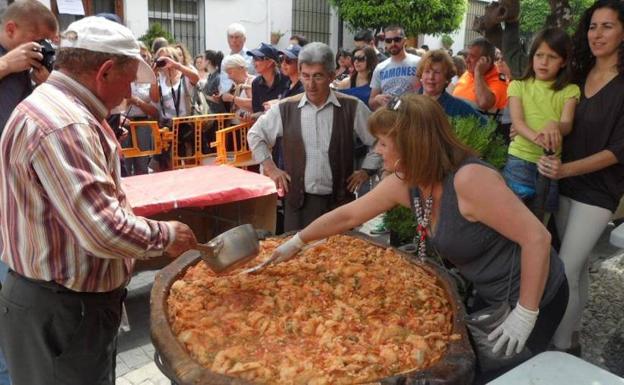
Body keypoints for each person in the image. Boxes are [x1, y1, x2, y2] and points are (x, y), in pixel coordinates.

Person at [265, 94, 568, 382]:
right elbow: (348, 216)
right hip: (492, 295)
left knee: (504, 377)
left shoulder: (469, 180)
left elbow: (537, 239)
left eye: (383, 143)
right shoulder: (406, 182)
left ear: (411, 146)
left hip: (537, 294)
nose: (377, 151)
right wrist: (297, 242)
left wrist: (526, 313)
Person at [0, 16, 197, 385]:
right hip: (62, 309)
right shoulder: (66, 124)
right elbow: (102, 230)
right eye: (127, 81)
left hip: (52, 302)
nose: (128, 94)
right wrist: (168, 235)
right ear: (105, 71)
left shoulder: (47, 104)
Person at [538, 0, 624, 355]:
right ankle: (572, 336)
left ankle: (559, 349)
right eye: (593, 26)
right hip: (564, 182)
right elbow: (555, 113)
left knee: (564, 269)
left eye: (607, 26)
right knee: (580, 267)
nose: (597, 34)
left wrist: (566, 169)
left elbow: (618, 150)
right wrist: (540, 128)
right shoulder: (575, 74)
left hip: (599, 190)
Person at [247, 42, 381, 232]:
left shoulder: (353, 107)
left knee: (342, 259)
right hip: (298, 206)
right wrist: (271, 169)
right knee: (299, 258)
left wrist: (366, 170)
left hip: (339, 205)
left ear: (331, 75)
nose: (310, 84)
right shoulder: (285, 108)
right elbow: (255, 135)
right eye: (306, 76)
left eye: (317, 76)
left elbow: (380, 140)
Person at [0, 2, 57, 383]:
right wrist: (5, 65)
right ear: (10, 30)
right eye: (38, 42)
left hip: (16, 196)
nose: (41, 50)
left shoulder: (28, 71)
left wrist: (44, 82)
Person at [502, 28, 579, 223]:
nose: (544, 62)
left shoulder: (570, 90)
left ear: (563, 61)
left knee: (540, 221)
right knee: (512, 218)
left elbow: (567, 124)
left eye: (552, 57)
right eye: (539, 55)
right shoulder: (518, 85)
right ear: (532, 57)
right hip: (519, 159)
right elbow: (518, 123)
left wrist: (554, 125)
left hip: (549, 165)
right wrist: (541, 138)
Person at [152, 46, 200, 160]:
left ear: (174, 58)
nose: (164, 61)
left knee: (188, 163)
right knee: (166, 164)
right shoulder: (160, 79)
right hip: (166, 127)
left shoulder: (184, 76)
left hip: (186, 126)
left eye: (167, 58)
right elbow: (154, 98)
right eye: (160, 59)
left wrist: (176, 65)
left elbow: (196, 78)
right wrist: (153, 74)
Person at [417, 49, 485, 121]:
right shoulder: (409, 105)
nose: (431, 77)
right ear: (421, 75)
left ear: (446, 78)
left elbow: (488, 128)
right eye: (427, 71)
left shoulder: (459, 108)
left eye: (437, 72)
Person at [369, 25, 421, 110]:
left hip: (412, 116)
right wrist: (377, 99)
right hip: (389, 117)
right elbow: (371, 102)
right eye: (388, 41)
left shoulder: (418, 63)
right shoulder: (380, 68)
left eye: (397, 40)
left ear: (404, 40)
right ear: (385, 43)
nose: (393, 44)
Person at [452, 37, 509, 115]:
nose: (467, 60)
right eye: (467, 55)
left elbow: (484, 103)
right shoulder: (468, 73)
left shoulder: (499, 81)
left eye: (472, 56)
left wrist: (479, 73)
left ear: (487, 60)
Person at [246, 42, 289, 116]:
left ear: (270, 62)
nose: (254, 62)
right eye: (253, 58)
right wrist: (250, 116)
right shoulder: (255, 83)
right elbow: (257, 111)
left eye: (257, 59)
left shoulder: (287, 79)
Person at [219, 22, 255, 93]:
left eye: (237, 37)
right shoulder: (225, 60)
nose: (234, 41)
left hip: (248, 97)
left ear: (244, 39)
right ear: (227, 40)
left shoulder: (252, 57)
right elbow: (223, 82)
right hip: (227, 100)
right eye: (231, 37)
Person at [219, 54, 255, 119]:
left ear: (240, 68)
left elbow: (254, 104)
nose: (228, 77)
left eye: (230, 73)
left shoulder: (251, 82)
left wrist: (232, 98)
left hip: (247, 127)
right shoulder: (235, 86)